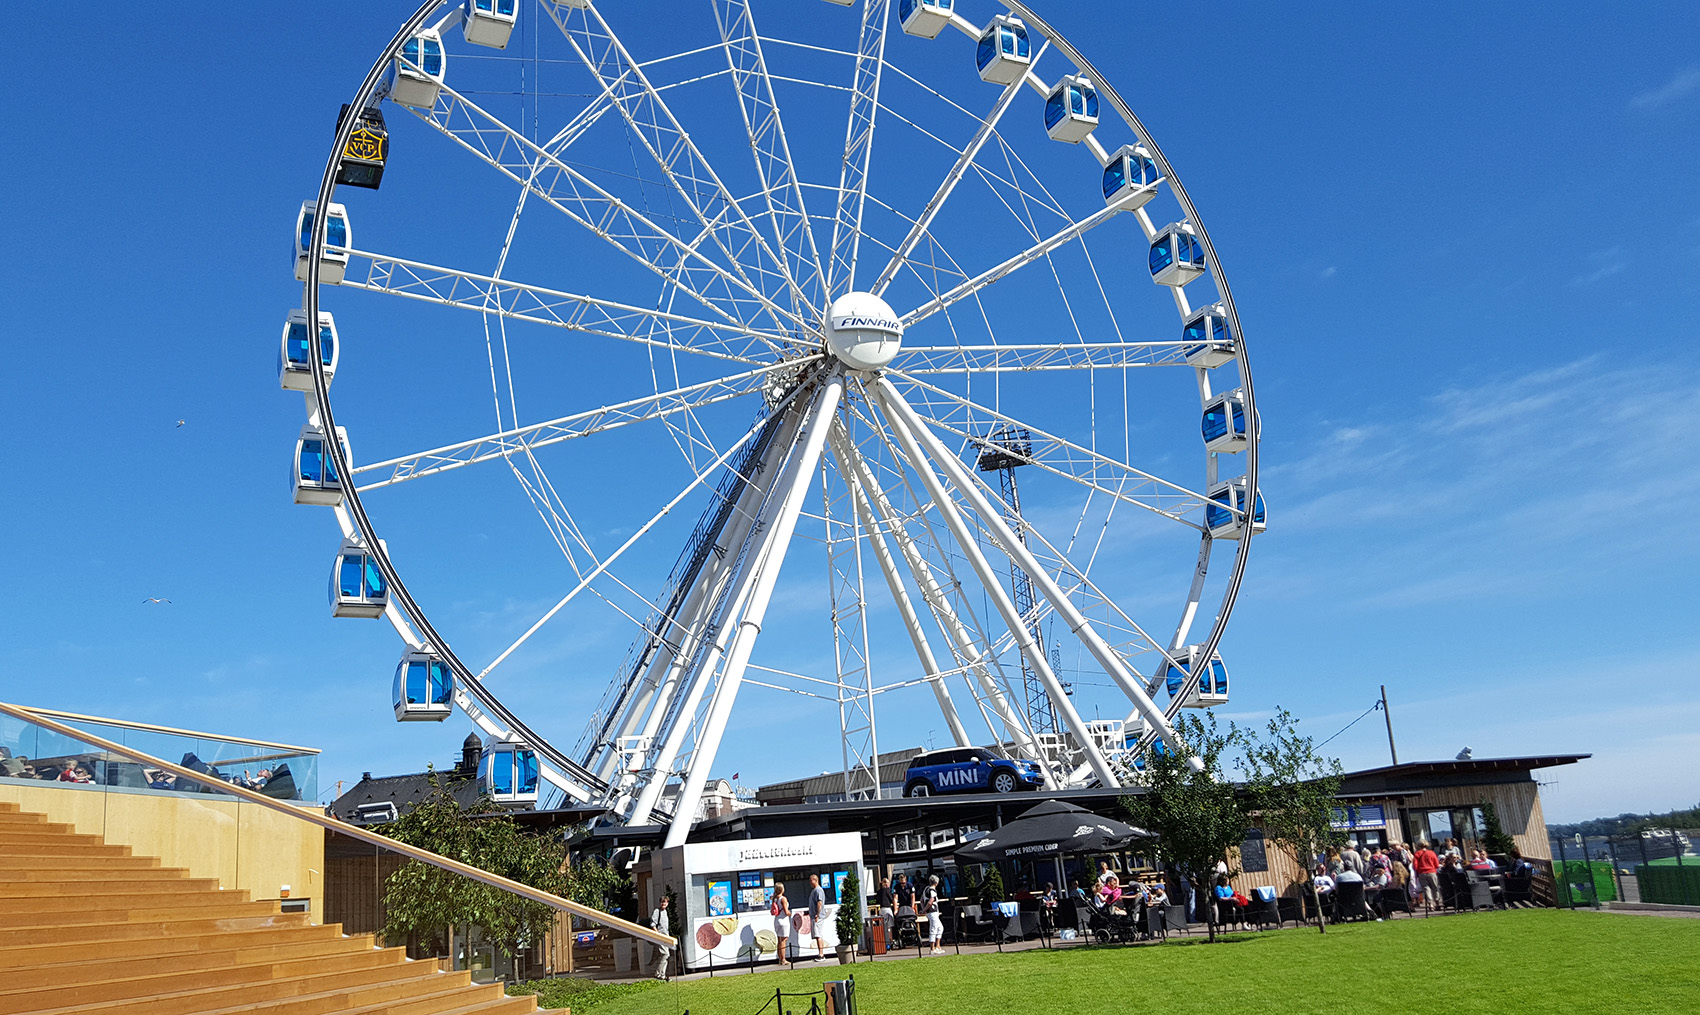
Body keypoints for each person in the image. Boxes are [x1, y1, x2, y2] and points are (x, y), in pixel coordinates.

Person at [649, 894, 672, 980]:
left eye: (665, 902)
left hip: (666, 937)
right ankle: (659, 973)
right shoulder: (656, 911)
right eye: (662, 902)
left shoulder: (665, 912)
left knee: (663, 955)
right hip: (660, 937)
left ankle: (662, 974)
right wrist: (657, 933)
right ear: (660, 903)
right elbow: (652, 923)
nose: (664, 904)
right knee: (665, 954)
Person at [1412, 840, 1441, 908]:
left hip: (1422, 873)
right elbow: (1436, 864)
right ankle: (1437, 902)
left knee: (1426, 888)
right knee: (1435, 887)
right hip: (1432, 871)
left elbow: (1415, 866)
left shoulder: (1417, 854)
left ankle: (1430, 903)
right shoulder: (1431, 853)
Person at [921, 875, 943, 954]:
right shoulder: (933, 890)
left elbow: (921, 900)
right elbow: (930, 902)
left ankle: (938, 946)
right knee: (933, 929)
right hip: (933, 912)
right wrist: (924, 909)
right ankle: (932, 948)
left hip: (930, 913)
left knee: (940, 928)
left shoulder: (926, 889)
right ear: (936, 883)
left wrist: (923, 909)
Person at [770, 883, 792, 963]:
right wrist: (790, 913)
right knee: (784, 940)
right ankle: (783, 959)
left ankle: (780, 958)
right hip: (783, 920)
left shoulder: (774, 898)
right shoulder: (783, 899)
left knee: (779, 940)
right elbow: (786, 912)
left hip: (777, 920)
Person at [808, 874, 827, 960]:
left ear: (815, 880)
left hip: (817, 916)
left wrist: (817, 914)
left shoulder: (818, 890)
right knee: (817, 935)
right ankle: (820, 953)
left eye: (811, 880)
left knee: (818, 934)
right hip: (814, 915)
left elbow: (820, 903)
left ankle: (821, 954)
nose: (810, 883)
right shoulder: (814, 890)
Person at [876, 877, 895, 945]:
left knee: (883, 926)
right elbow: (891, 899)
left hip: (881, 909)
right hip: (887, 909)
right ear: (886, 884)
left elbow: (877, 900)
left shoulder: (879, 891)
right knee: (889, 926)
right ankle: (890, 940)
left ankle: (884, 941)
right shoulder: (887, 890)